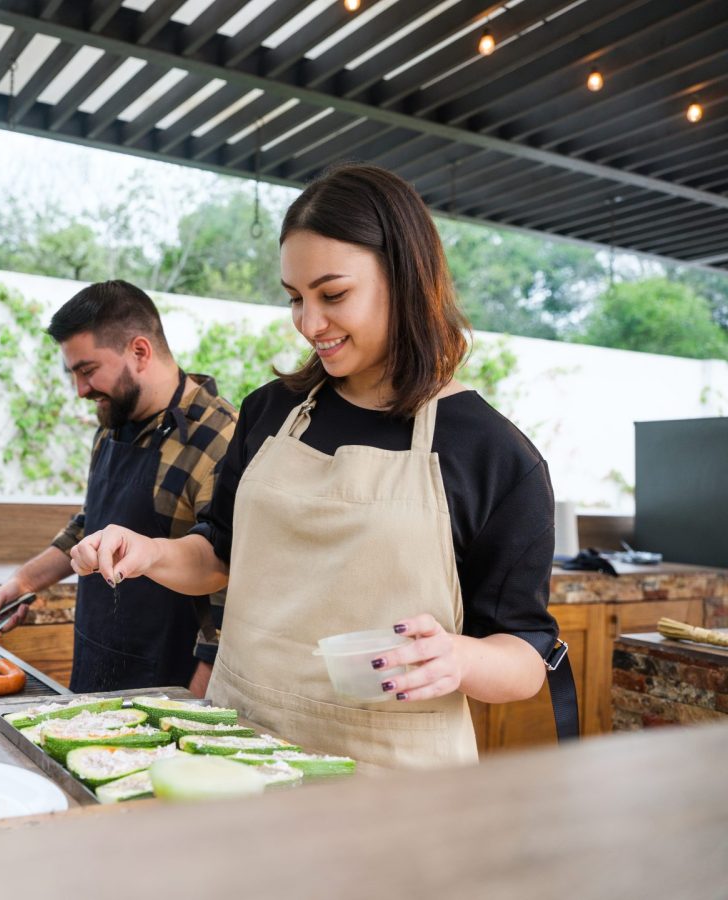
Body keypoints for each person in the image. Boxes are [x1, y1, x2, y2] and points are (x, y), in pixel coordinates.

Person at [70, 165, 569, 769]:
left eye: (333, 295)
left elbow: (523, 657)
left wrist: (460, 659)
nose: (310, 324)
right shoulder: (269, 412)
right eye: (295, 298)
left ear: (406, 278)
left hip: (394, 779)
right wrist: (151, 553)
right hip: (238, 747)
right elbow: (220, 554)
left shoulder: (494, 455)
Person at [0, 280, 237, 694]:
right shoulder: (115, 422)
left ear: (139, 351)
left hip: (166, 687)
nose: (81, 391)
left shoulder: (221, 436)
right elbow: (91, 526)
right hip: (94, 664)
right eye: (74, 374)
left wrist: (191, 711)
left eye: (87, 371)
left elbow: (229, 595)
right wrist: (25, 582)